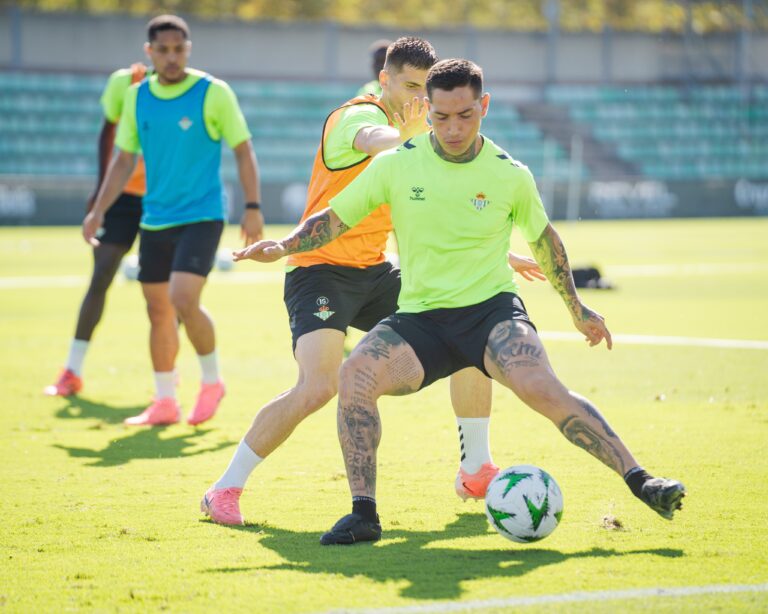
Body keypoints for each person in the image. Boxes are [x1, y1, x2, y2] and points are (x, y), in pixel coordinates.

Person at [234, 59, 686, 545]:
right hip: (421, 321)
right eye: (441, 116)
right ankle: (363, 514)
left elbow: (544, 241)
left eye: (465, 116)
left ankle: (642, 481)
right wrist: (284, 246)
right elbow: (335, 218)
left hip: (491, 314)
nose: (452, 128)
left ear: (483, 107)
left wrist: (577, 309)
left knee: (541, 387)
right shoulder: (397, 163)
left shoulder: (510, 174)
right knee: (355, 377)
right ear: (426, 109)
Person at [200, 37, 543, 526]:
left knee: (470, 328)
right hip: (319, 271)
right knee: (317, 386)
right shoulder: (355, 118)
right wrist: (411, 133)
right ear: (384, 80)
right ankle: (224, 489)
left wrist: (502, 252)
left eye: (427, 92)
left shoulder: (423, 142)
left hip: (377, 271)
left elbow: (436, 219)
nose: (419, 101)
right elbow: (375, 141)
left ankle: (475, 468)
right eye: (409, 87)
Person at [82, 14, 264, 426]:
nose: (171, 57)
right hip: (155, 217)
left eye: (178, 49)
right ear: (149, 52)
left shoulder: (212, 92)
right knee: (157, 310)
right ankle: (165, 399)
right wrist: (98, 209)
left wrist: (252, 206)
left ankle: (212, 381)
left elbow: (242, 148)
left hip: (202, 214)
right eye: (162, 50)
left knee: (183, 299)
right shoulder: (137, 96)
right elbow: (125, 157)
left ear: (188, 49)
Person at [45, 62, 149, 397]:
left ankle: (167, 380)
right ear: (150, 51)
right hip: (121, 195)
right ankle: (72, 371)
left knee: (165, 290)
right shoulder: (124, 82)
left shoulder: (188, 87)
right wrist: (102, 189)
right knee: (101, 274)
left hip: (164, 198)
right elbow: (108, 133)